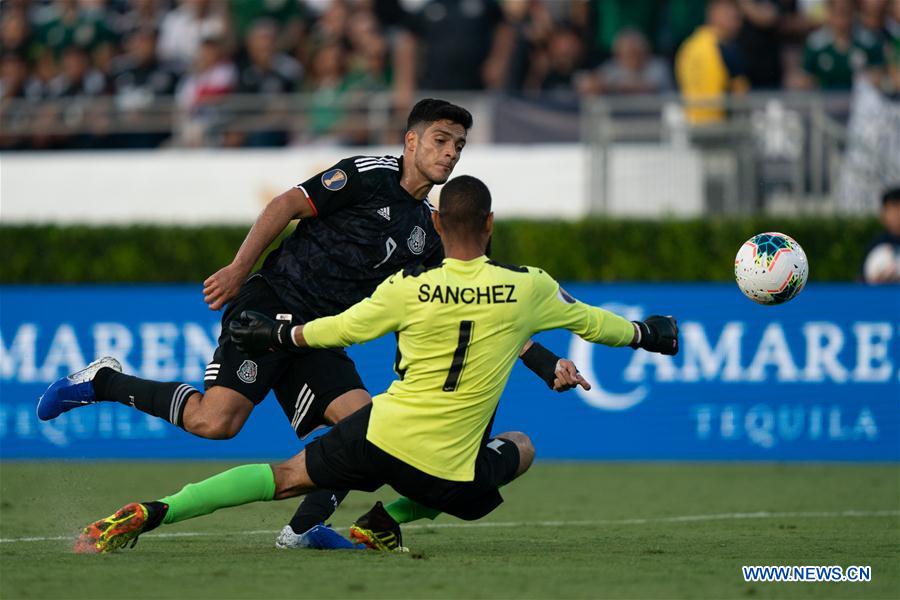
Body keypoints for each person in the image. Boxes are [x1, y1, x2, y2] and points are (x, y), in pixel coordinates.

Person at [37, 99, 580, 550]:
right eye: (440, 139)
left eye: (458, 145)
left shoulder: (430, 229)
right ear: (410, 141)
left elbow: (478, 309)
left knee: (368, 433)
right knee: (215, 422)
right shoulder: (368, 175)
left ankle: (301, 530)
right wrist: (237, 268)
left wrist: (544, 362)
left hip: (316, 333)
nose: (450, 152)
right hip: (269, 306)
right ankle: (100, 381)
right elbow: (287, 204)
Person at [72, 175, 679, 555]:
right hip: (447, 468)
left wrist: (276, 330)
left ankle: (156, 512)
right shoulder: (531, 288)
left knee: (282, 475)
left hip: (379, 434)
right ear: (491, 227)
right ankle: (384, 520)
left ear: (437, 226)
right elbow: (597, 323)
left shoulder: (408, 288)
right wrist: (648, 335)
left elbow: (336, 330)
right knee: (519, 445)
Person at [675, 0, 750, 124]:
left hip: (691, 124)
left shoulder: (687, 47)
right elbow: (741, 95)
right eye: (734, 17)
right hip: (719, 127)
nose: (738, 23)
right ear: (714, 14)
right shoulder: (726, 48)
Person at [862, 186, 900, 284]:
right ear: (883, 214)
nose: (896, 216)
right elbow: (860, 280)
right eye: (892, 211)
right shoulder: (876, 245)